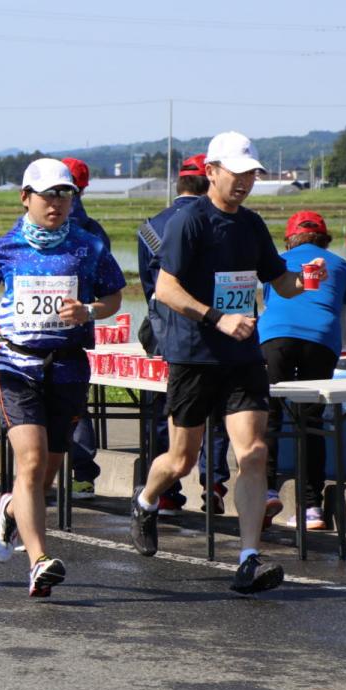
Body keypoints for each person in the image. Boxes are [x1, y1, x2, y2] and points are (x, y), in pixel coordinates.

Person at [129, 132, 326, 595]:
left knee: (253, 452)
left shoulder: (252, 225)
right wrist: (217, 318)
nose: (242, 183)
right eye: (234, 174)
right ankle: (145, 500)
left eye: (250, 175)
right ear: (212, 172)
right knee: (182, 459)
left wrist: (307, 279)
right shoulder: (190, 222)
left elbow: (279, 280)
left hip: (241, 355)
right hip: (195, 354)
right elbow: (165, 291)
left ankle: (249, 558)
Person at [0, 158, 125, 597]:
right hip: (18, 364)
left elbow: (114, 295)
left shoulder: (87, 246)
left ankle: (12, 509)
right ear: (25, 198)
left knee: (46, 471)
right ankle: (39, 560)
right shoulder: (6, 246)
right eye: (47, 194)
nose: (56, 202)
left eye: (64, 193)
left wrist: (90, 310)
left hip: (69, 365)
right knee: (31, 462)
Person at [136, 153, 231, 516]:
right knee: (218, 409)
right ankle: (215, 483)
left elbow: (151, 287)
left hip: (164, 330)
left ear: (179, 184)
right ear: (209, 181)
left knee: (165, 409)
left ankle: (164, 493)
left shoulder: (149, 227)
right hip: (214, 326)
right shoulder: (218, 222)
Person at [259, 211, 346, 530]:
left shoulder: (277, 260)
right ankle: (311, 508)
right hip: (321, 340)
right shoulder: (341, 265)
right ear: (325, 239)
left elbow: (272, 304)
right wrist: (336, 347)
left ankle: (265, 493)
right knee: (311, 421)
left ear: (289, 238)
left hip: (275, 337)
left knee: (269, 415)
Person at [60, 157, 109, 500]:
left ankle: (32, 478)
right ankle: (81, 473)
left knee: (36, 403)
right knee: (77, 401)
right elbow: (112, 289)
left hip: (35, 334)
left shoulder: (36, 224)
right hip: (77, 330)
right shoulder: (93, 232)